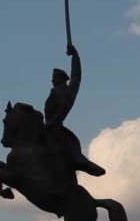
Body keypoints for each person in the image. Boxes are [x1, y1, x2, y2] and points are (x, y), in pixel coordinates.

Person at [44, 44, 106, 177]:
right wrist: (74, 56)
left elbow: (76, 75)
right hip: (49, 126)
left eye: (53, 78)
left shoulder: (67, 91)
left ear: (60, 79)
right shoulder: (63, 90)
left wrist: (76, 56)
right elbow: (76, 76)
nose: (51, 80)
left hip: (53, 127)